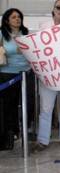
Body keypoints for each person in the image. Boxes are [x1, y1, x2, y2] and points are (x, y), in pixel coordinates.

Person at [32, 0, 60, 152]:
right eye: (59, 7)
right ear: (54, 9)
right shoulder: (43, 27)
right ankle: (43, 140)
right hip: (49, 75)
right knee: (46, 108)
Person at [0, 8, 31, 150]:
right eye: (13, 17)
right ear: (7, 20)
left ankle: (24, 131)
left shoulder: (26, 33)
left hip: (26, 73)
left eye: (19, 16)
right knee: (9, 106)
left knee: (27, 104)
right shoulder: (2, 34)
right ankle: (9, 135)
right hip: (7, 74)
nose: (17, 19)